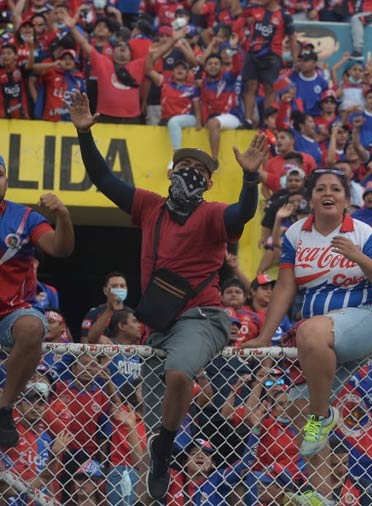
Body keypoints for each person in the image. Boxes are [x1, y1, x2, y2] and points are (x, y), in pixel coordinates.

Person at [68, 90, 267, 500]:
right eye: (185, 166)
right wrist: (84, 133)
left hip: (203, 318)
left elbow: (241, 213)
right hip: (159, 326)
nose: (192, 173)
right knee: (159, 409)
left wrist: (249, 179)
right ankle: (162, 449)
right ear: (171, 171)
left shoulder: (212, 213)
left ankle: (162, 451)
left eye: (200, 171)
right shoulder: (149, 206)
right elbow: (104, 180)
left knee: (179, 374)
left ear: (209, 182)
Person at [255, 168, 372, 504]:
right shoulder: (295, 234)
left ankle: (322, 417)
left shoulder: (362, 232)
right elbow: (286, 287)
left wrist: (358, 257)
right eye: (320, 188)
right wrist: (263, 336)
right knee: (293, 405)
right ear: (311, 197)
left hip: (369, 320)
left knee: (310, 332)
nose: (328, 193)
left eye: (336, 188)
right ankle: (322, 495)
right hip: (323, 337)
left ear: (347, 200)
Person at [0, 153, 74, 448]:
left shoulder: (24, 218)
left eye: (0, 174)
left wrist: (64, 216)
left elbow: (60, 249)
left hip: (11, 314)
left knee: (33, 326)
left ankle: (4, 409)